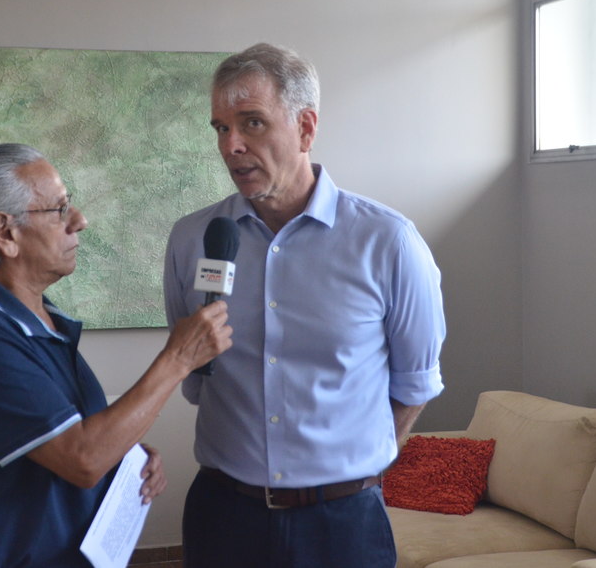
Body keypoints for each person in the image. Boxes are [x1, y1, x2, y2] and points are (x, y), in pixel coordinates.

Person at [163, 43, 446, 568]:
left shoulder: (389, 242)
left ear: (306, 128)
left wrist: (348, 471)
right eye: (221, 128)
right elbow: (198, 380)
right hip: (223, 515)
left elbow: (414, 385)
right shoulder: (192, 239)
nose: (232, 145)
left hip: (343, 524)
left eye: (251, 123)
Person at [0, 143, 233, 568]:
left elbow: (70, 445)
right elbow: (82, 459)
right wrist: (177, 359)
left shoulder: (44, 321)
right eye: (60, 209)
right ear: (5, 233)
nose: (80, 221)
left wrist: (124, 453)